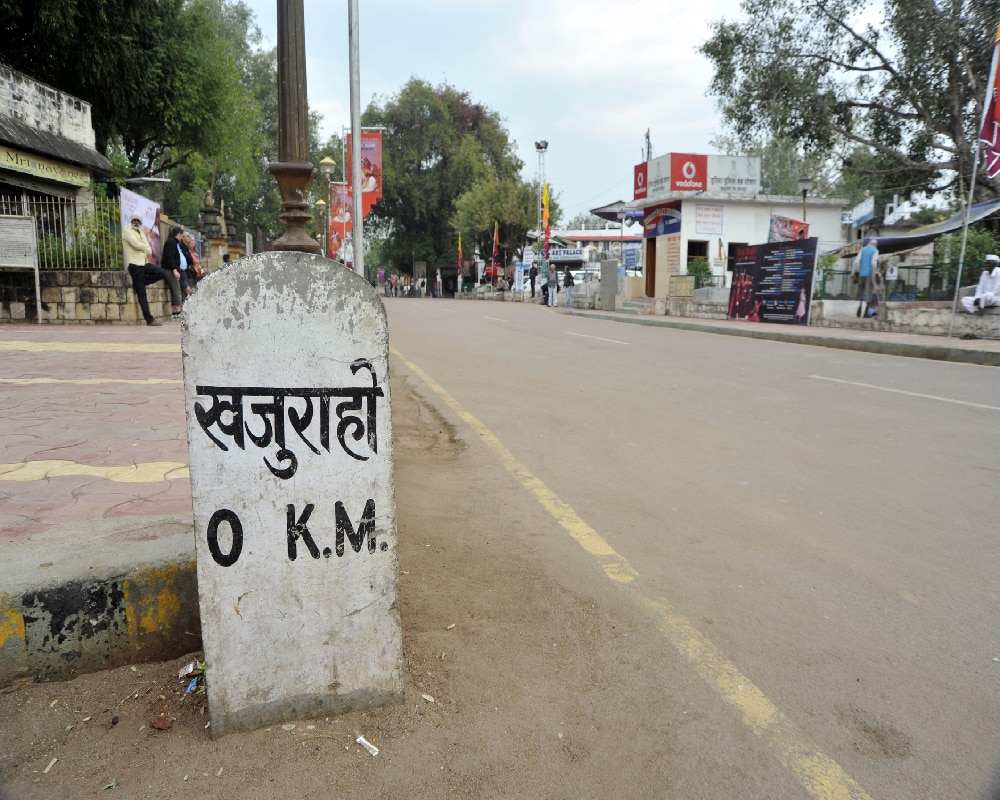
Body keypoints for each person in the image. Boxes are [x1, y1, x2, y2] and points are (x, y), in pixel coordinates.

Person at [121, 210, 166, 326]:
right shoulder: (127, 230)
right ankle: (149, 320)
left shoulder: (140, 232)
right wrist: (144, 247)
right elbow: (136, 244)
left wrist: (143, 247)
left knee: (161, 273)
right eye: (134, 220)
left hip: (144, 263)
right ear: (131, 220)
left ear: (140, 222)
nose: (136, 222)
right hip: (135, 265)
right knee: (142, 294)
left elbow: (150, 250)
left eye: (138, 220)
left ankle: (139, 283)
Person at [161, 226, 194, 313]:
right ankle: (176, 310)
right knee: (176, 288)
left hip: (177, 270)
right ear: (178, 234)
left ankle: (177, 309)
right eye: (181, 235)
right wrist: (174, 269)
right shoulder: (171, 242)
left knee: (178, 289)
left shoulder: (174, 243)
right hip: (170, 270)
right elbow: (170, 258)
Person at [851, 238, 879, 318]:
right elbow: (874, 263)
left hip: (861, 274)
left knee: (861, 292)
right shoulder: (875, 250)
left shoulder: (862, 249)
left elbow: (856, 262)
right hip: (869, 275)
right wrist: (873, 273)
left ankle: (859, 310)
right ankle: (866, 313)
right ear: (876, 245)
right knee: (869, 293)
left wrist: (853, 273)